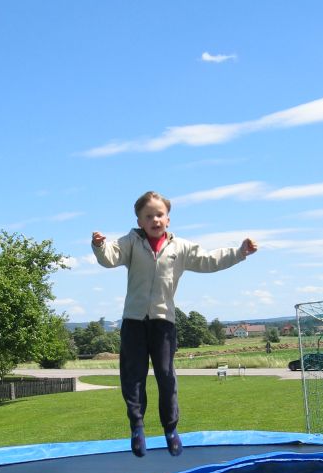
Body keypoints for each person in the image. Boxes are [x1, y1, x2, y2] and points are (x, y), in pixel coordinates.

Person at [92, 190, 257, 458]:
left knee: (166, 377)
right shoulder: (132, 242)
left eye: (159, 215)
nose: (155, 220)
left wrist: (239, 252)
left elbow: (209, 260)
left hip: (163, 322)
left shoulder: (179, 247)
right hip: (134, 322)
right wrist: (100, 246)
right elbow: (110, 257)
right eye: (149, 216)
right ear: (140, 221)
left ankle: (170, 429)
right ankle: (137, 427)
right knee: (133, 378)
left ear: (168, 219)